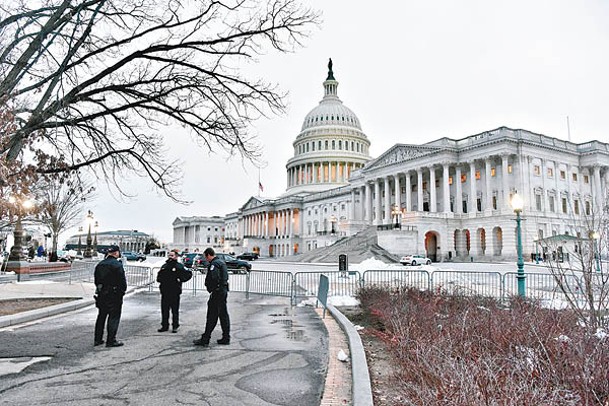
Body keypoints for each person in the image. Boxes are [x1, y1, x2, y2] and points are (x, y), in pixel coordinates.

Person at [193, 247, 230, 347]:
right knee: (223, 315)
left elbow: (214, 278)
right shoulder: (221, 262)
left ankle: (205, 339)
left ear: (208, 255)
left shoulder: (214, 264)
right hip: (222, 291)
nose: (206, 259)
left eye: (206, 257)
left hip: (217, 293)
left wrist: (212, 289)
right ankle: (226, 337)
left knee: (212, 316)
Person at [94, 245, 127, 348]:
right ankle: (111, 340)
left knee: (101, 316)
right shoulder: (117, 265)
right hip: (114, 294)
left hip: (102, 293)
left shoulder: (100, 264)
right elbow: (122, 281)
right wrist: (121, 292)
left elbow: (96, 280)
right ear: (116, 253)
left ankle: (98, 339)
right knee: (113, 317)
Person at [156, 249, 191, 333]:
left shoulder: (179, 266)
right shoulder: (165, 266)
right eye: (169, 255)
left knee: (174, 310)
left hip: (175, 291)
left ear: (176, 256)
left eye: (172, 255)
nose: (170, 257)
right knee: (165, 310)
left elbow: (188, 274)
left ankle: (175, 325)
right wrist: (161, 280)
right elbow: (159, 276)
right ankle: (164, 325)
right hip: (165, 291)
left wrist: (180, 279)